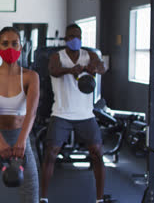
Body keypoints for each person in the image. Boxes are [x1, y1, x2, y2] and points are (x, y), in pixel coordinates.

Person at [40, 23, 106, 203]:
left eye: (78, 36)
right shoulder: (57, 56)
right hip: (61, 113)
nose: (75, 39)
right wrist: (70, 70)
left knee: (97, 153)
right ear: (66, 39)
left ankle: (99, 199)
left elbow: (102, 68)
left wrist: (94, 68)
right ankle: (43, 197)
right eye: (71, 36)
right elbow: (53, 71)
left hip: (86, 115)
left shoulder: (88, 55)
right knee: (51, 154)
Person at [0, 27, 40, 203]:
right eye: (5, 44)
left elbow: (32, 112)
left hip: (22, 139)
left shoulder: (31, 77)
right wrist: (0, 141)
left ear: (21, 47)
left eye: (14, 43)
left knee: (31, 197)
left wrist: (21, 141)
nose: (10, 48)